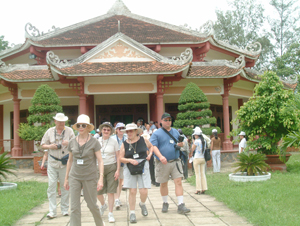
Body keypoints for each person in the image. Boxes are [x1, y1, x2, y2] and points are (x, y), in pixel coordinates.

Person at [64, 114, 104, 226]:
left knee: (92, 204)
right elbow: (70, 161)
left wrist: (101, 178)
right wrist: (66, 178)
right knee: (74, 207)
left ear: (87, 127)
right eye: (79, 125)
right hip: (75, 176)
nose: (81, 127)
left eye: (83, 125)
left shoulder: (94, 142)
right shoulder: (72, 142)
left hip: (90, 176)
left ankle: (100, 224)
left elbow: (100, 161)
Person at [150, 112, 190, 214]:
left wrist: (181, 144)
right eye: (166, 120)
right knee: (163, 183)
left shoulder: (176, 132)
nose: (168, 122)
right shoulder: (156, 133)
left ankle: (181, 204)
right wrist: (160, 156)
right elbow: (153, 146)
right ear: (161, 121)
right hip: (162, 162)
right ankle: (165, 202)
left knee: (178, 182)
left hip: (175, 161)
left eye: (170, 120)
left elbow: (182, 142)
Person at [41, 113, 75, 219]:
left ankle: (65, 209)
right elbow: (42, 145)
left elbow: (75, 144)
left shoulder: (69, 131)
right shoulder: (49, 131)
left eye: (63, 122)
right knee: (51, 186)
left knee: (65, 186)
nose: (62, 123)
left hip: (65, 163)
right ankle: (52, 211)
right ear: (55, 121)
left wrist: (68, 143)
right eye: (60, 122)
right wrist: (50, 146)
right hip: (52, 162)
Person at [119, 123, 153, 223]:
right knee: (132, 191)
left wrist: (150, 154)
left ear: (135, 131)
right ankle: (132, 213)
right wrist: (129, 160)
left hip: (143, 165)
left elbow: (151, 147)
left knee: (143, 191)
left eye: (131, 131)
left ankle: (142, 204)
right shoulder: (124, 143)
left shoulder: (143, 140)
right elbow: (121, 158)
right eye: (127, 131)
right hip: (130, 167)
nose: (129, 133)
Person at [96, 122, 119, 223]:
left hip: (111, 167)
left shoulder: (114, 141)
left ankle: (110, 213)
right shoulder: (96, 141)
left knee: (111, 191)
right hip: (98, 168)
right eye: (104, 129)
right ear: (101, 130)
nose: (106, 131)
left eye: (108, 130)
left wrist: (118, 170)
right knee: (97, 191)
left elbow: (118, 157)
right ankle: (103, 204)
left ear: (111, 132)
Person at [111, 122, 127, 210]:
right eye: (119, 128)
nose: (121, 130)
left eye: (122, 128)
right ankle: (116, 199)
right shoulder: (112, 138)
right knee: (115, 180)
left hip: (123, 162)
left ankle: (118, 198)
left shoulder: (127, 138)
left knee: (121, 181)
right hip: (114, 161)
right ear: (116, 130)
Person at [190, 127, 207, 195]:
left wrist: (193, 142)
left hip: (197, 158)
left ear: (197, 135)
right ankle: (204, 188)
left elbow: (192, 149)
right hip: (202, 158)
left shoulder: (196, 141)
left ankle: (198, 189)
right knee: (202, 173)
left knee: (197, 174)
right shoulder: (204, 141)